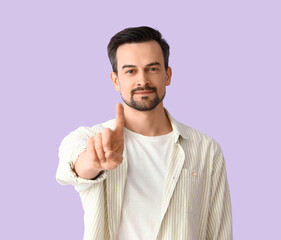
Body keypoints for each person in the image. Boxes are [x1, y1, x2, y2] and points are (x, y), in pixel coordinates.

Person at [56, 26, 232, 240]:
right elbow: (73, 165)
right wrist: (94, 162)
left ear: (167, 75)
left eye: (152, 69)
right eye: (130, 71)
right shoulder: (92, 138)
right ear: (115, 80)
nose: (143, 81)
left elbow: (220, 233)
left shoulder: (206, 149)